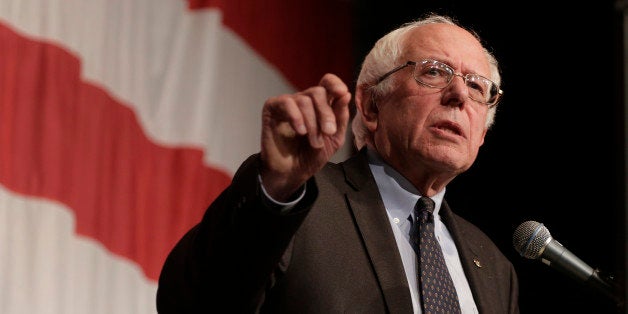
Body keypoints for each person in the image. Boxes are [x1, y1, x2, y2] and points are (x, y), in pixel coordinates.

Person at [156, 13, 519, 314]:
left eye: (476, 86)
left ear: (482, 133)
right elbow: (192, 302)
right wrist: (277, 193)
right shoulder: (299, 203)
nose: (458, 95)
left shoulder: (494, 267)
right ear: (372, 105)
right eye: (435, 72)